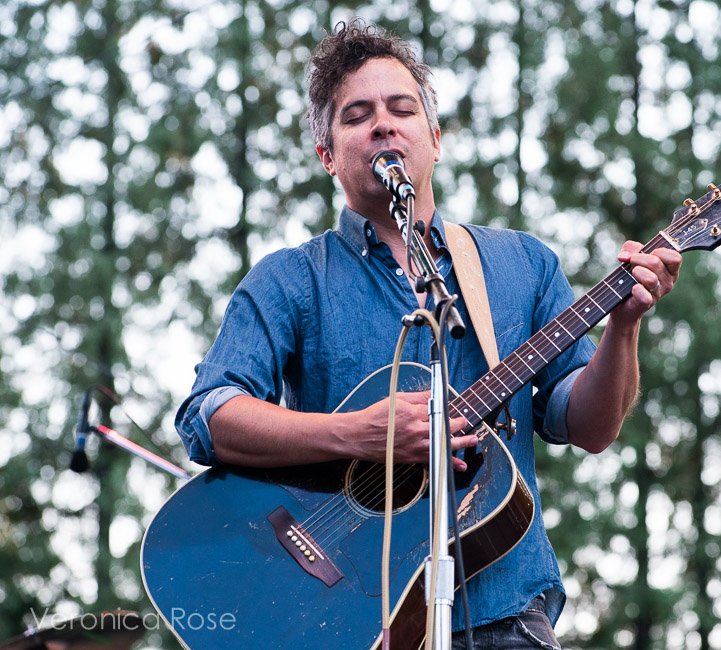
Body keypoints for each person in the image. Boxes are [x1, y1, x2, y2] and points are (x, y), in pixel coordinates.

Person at [175, 19, 681, 649]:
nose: (383, 124)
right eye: (357, 114)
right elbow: (209, 414)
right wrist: (357, 432)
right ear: (328, 155)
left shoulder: (521, 265)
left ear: (434, 139)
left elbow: (589, 426)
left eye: (402, 109)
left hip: (507, 614)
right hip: (358, 623)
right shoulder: (289, 280)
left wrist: (625, 326)